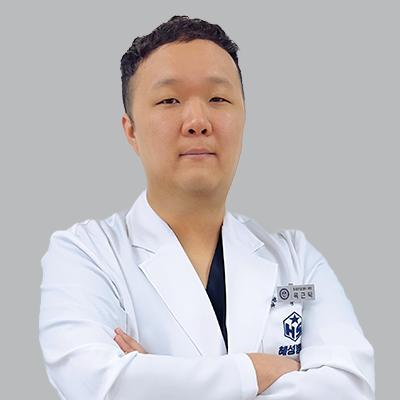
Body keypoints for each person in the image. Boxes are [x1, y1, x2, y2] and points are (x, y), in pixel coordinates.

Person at [39, 16, 375, 399]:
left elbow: (351, 388)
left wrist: (159, 379)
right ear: (131, 130)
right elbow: (98, 385)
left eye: (218, 99)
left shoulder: (297, 259)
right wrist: (263, 368)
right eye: (169, 100)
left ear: (243, 118)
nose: (198, 122)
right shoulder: (84, 254)